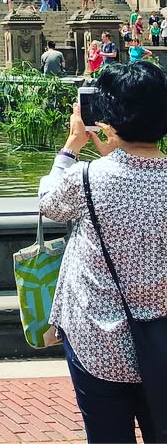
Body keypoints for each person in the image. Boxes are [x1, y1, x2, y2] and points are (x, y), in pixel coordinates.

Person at [39, 61, 167, 443]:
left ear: (109, 118)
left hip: (97, 340)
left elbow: (49, 203)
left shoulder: (88, 177)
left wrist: (71, 146)